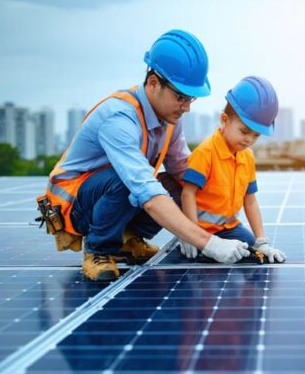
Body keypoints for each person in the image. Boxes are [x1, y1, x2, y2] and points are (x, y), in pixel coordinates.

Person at [41, 30, 250, 281]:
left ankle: (127, 239)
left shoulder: (170, 117)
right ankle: (98, 249)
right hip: (74, 207)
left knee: (181, 184)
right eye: (180, 97)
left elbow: (183, 168)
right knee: (128, 182)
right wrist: (209, 243)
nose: (187, 107)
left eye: (190, 98)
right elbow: (146, 192)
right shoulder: (119, 118)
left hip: (113, 195)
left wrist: (220, 218)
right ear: (153, 83)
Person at [179, 76, 287, 263]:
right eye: (244, 132)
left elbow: (250, 201)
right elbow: (187, 194)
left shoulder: (247, 157)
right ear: (224, 119)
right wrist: (192, 234)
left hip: (230, 228)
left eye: (256, 135)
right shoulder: (205, 153)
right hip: (202, 231)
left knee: (254, 255)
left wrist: (261, 242)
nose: (249, 140)